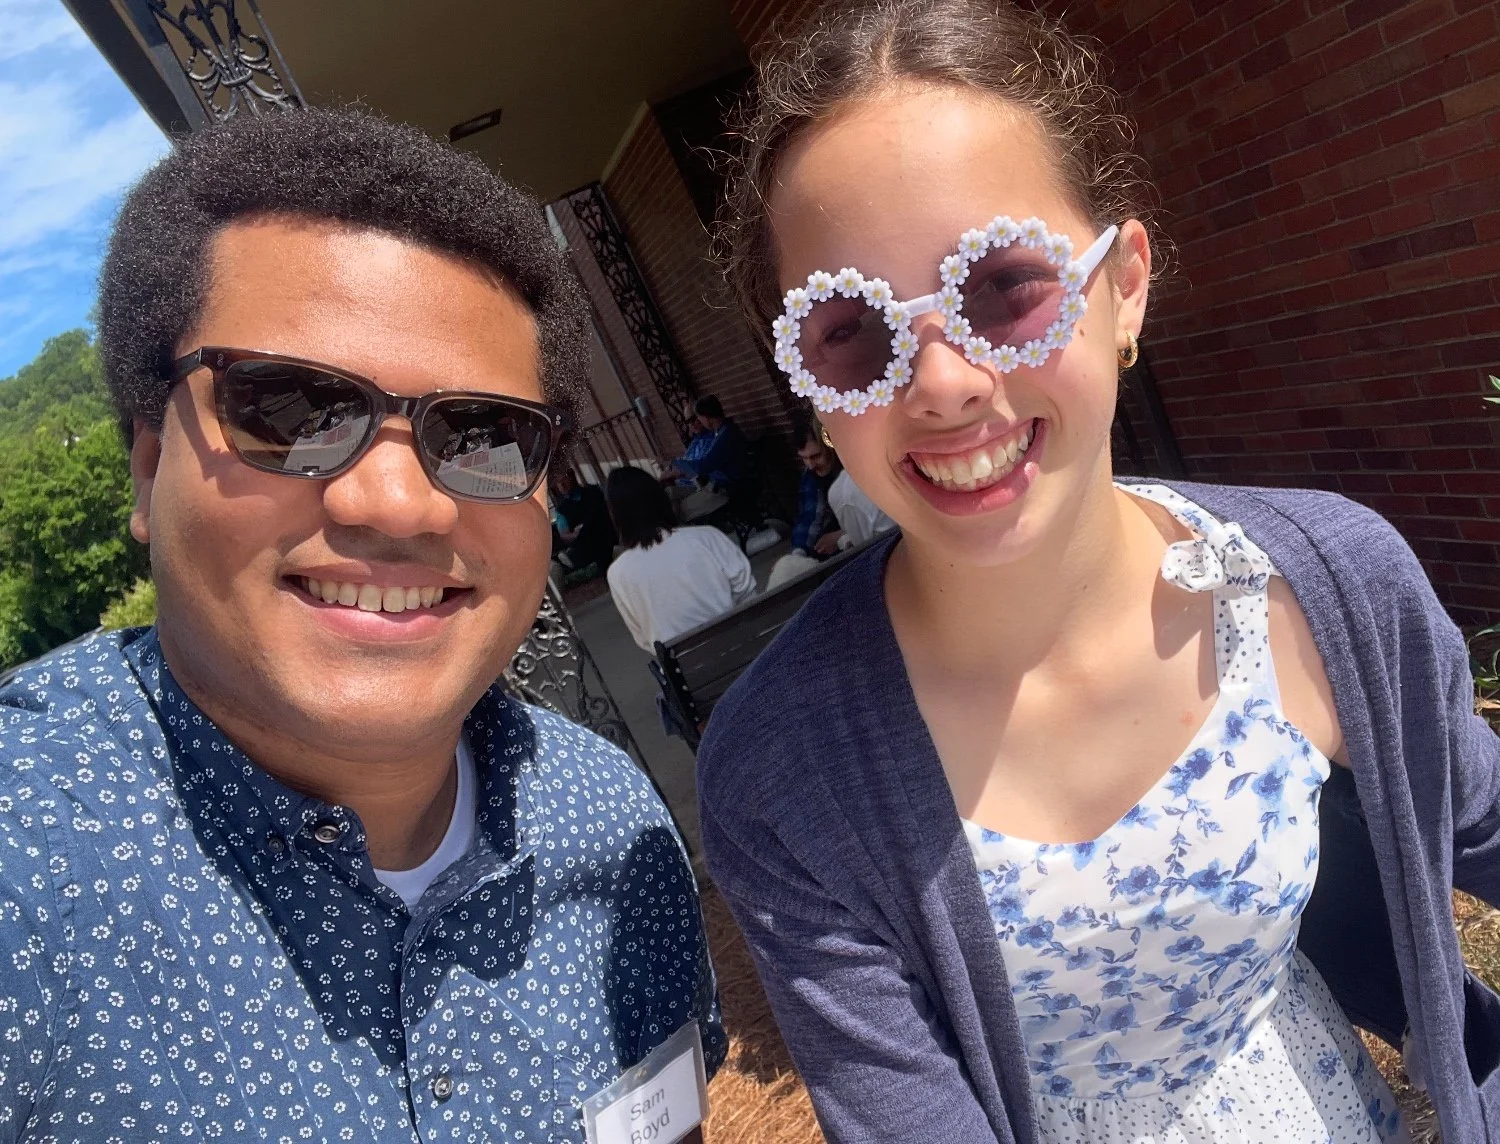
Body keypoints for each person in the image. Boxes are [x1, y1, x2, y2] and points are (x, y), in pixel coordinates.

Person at [698, 2, 1499, 1142]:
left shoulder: (1325, 584)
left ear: (1124, 284)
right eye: (853, 333)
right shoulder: (787, 773)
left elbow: (1473, 808)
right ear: (812, 389)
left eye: (1003, 286)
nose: (944, 382)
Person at [0, 107, 723, 1143]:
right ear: (151, 461)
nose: (398, 502)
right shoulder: (31, 883)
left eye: (482, 433)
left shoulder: (611, 822)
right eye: (292, 409)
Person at [604, 465, 757, 654]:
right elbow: (747, 592)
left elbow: (644, 638)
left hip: (688, 673)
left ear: (616, 516)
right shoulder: (707, 537)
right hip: (745, 649)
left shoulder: (618, 573)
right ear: (660, 498)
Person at [551, 466, 617, 574]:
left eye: (564, 480)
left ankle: (575, 556)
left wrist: (583, 529)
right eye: (558, 483)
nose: (562, 485)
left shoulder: (593, 492)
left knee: (593, 523)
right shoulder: (562, 510)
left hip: (607, 532)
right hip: (592, 543)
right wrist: (579, 534)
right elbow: (564, 535)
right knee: (593, 538)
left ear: (573, 478)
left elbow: (607, 512)